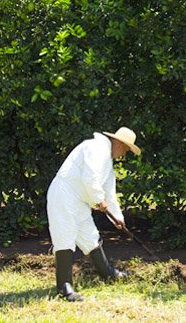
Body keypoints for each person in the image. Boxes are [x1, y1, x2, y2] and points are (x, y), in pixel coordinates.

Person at [46, 127, 141, 302]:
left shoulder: (108, 164)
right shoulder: (96, 147)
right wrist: (98, 199)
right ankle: (64, 287)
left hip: (80, 201)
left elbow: (109, 194)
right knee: (65, 238)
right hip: (64, 195)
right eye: (126, 150)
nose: (124, 154)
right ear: (119, 144)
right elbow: (89, 177)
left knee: (90, 237)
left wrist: (118, 218)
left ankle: (107, 273)